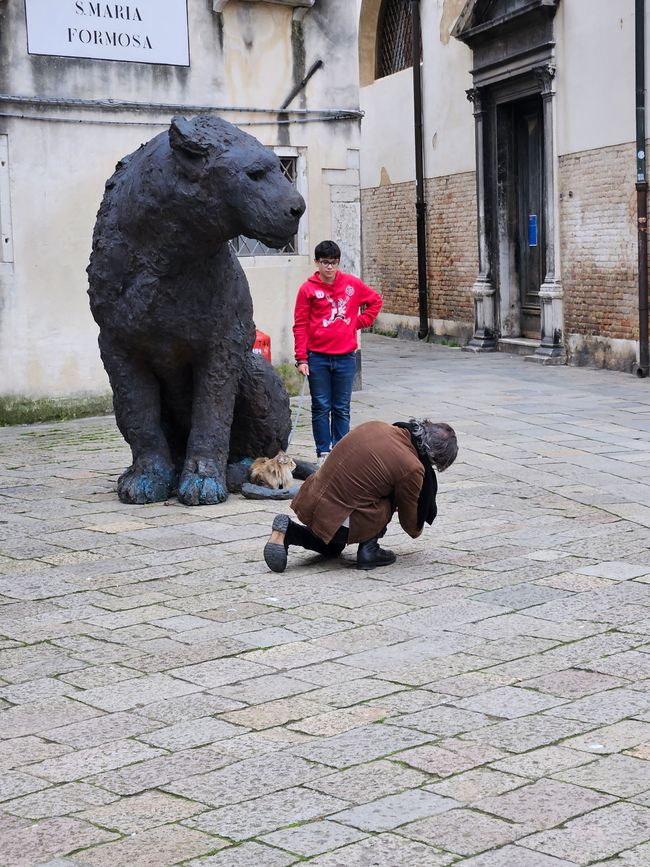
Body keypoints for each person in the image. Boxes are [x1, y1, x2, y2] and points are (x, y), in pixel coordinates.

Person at [263, 418, 458, 572]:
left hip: (312, 501)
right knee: (392, 493)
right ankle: (369, 550)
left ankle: (287, 531)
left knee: (332, 548)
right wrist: (418, 524)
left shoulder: (378, 425)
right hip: (340, 519)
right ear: (434, 458)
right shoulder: (412, 467)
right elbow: (410, 526)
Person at [293, 240, 383, 464]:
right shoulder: (308, 290)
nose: (329, 268)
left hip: (345, 357)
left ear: (338, 263)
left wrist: (358, 323)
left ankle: (341, 454)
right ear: (317, 263)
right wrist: (301, 358)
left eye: (333, 263)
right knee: (321, 406)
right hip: (318, 357)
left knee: (341, 408)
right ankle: (323, 453)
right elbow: (300, 324)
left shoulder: (351, 284)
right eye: (325, 263)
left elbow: (375, 301)